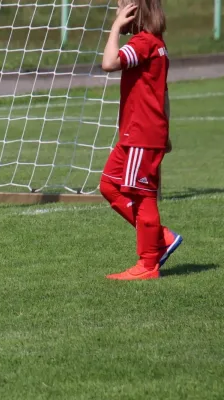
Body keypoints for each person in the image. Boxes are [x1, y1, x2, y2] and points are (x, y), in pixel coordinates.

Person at [100, 0, 182, 280]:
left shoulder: (144, 43)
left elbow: (109, 62)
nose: (117, 12)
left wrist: (114, 28)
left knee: (142, 196)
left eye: (121, 7)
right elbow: (163, 93)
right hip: (136, 133)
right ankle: (161, 238)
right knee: (109, 184)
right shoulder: (154, 43)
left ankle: (148, 264)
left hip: (141, 134)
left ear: (134, 12)